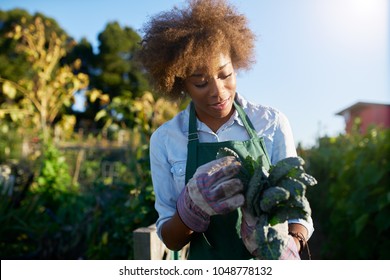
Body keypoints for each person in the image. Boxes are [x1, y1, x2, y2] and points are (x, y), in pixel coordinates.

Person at [136, 0, 314, 260]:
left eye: (225, 75)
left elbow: (297, 210)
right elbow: (171, 239)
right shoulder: (165, 140)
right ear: (180, 82)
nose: (218, 92)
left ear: (235, 65)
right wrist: (190, 209)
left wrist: (290, 245)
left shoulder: (272, 123)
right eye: (200, 82)